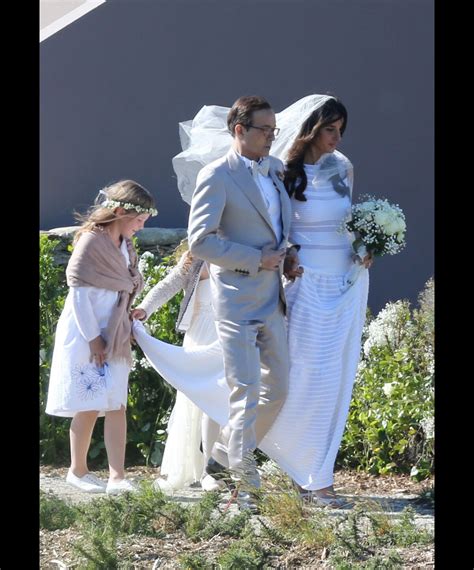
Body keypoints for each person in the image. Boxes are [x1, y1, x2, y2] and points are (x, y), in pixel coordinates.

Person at [259, 94, 373, 507]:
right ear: (310, 129)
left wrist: (366, 246)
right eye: (330, 129)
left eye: (341, 130)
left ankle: (318, 477)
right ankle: (290, 467)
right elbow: (273, 228)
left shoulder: (343, 168)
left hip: (346, 281)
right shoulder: (282, 172)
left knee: (335, 378)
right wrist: (286, 254)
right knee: (303, 376)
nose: (336, 138)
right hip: (305, 284)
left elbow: (350, 223)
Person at [186, 95, 293, 512]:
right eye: (265, 130)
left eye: (273, 130)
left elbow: (278, 226)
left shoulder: (276, 170)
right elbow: (200, 240)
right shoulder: (217, 175)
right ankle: (245, 487)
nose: (271, 137)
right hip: (235, 298)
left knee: (280, 388)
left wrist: (290, 258)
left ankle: (225, 451)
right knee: (245, 391)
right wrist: (256, 260)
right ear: (239, 130)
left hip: (273, 296)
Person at [45, 180, 157, 495]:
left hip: (115, 332)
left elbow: (125, 286)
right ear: (119, 211)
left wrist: (129, 315)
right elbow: (79, 292)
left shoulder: (126, 246)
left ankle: (117, 476)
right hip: (87, 332)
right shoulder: (91, 242)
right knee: (89, 401)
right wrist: (94, 338)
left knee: (116, 402)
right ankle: (77, 470)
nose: (140, 226)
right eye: (137, 220)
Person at [130, 243, 224, 493]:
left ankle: (218, 466)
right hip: (200, 334)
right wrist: (145, 309)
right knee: (198, 400)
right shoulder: (195, 257)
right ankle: (203, 469)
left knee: (222, 398)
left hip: (227, 335)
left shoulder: (242, 249)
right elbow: (169, 285)